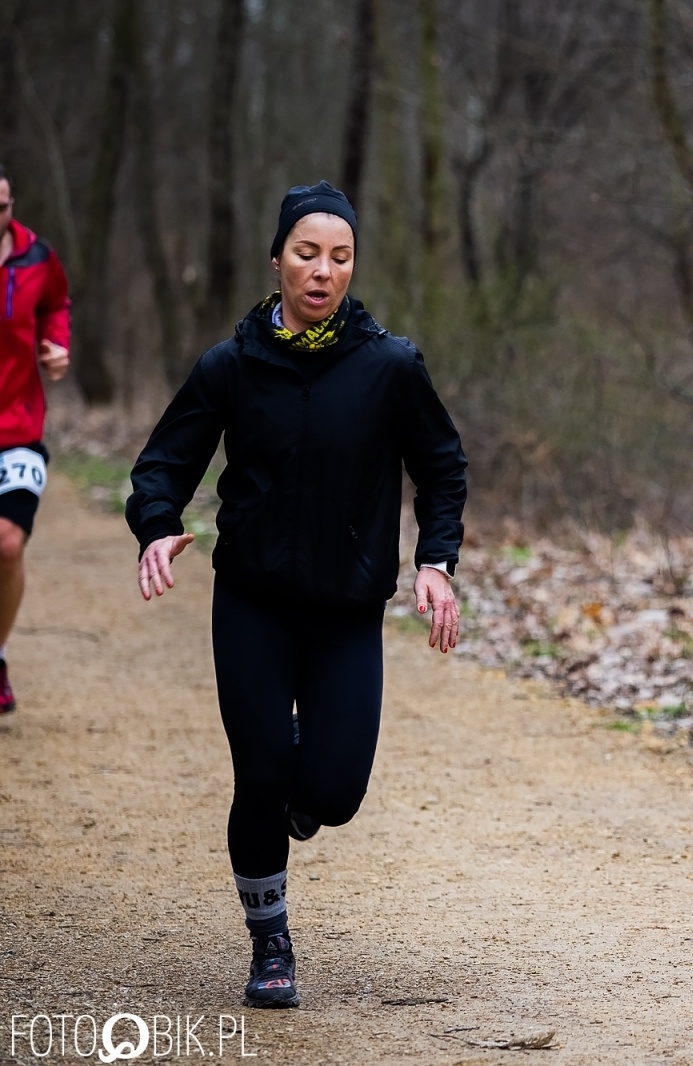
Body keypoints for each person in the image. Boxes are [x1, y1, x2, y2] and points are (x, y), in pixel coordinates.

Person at [125, 181, 468, 1009]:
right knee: (261, 773)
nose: (323, 271)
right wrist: (157, 522)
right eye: (307, 254)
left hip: (346, 610)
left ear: (354, 267)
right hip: (253, 603)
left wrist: (436, 560)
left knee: (333, 793)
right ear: (277, 259)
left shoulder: (390, 366)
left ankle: (301, 787)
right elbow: (163, 464)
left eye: (340, 257)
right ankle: (270, 939)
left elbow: (442, 465)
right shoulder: (231, 366)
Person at [0, 164, 72, 715]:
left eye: (2, 206)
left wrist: (55, 346)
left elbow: (55, 306)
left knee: (7, 544)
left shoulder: (36, 258)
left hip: (19, 425)